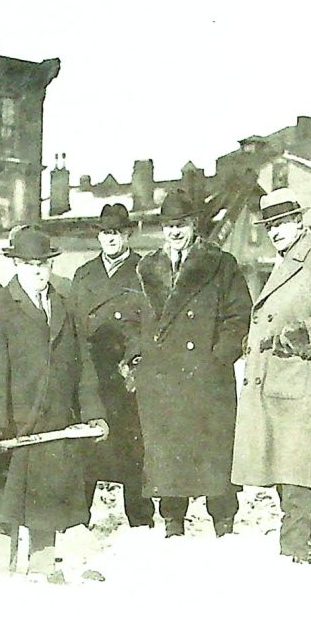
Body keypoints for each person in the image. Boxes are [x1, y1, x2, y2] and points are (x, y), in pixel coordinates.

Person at [0, 227, 109, 582]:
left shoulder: (62, 306)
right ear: (15, 265)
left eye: (43, 265)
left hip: (55, 421)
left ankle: (43, 562)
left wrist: (93, 413)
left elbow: (82, 366)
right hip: (15, 422)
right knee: (7, 496)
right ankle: (4, 563)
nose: (38, 272)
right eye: (30, 265)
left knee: (47, 496)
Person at [232, 188, 311, 564]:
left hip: (299, 380)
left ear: (300, 221)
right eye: (270, 226)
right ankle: (297, 547)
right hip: (280, 381)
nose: (275, 232)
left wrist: (302, 336)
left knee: (295, 468)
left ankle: (297, 549)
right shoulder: (289, 260)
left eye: (282, 223)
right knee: (284, 466)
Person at [124, 189, 252, 538]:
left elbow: (239, 316)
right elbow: (136, 320)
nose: (175, 232)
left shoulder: (219, 263)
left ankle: (223, 522)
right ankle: (173, 522)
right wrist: (137, 354)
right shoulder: (147, 267)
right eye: (168, 225)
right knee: (167, 453)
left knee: (214, 453)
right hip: (162, 378)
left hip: (206, 377)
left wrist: (218, 358)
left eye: (181, 224)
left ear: (194, 225)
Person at [71, 203, 155, 529]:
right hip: (91, 371)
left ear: (128, 234)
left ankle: (140, 520)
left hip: (127, 372)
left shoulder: (143, 272)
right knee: (89, 445)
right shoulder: (84, 274)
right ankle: (81, 520)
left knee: (133, 447)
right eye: (105, 233)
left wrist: (135, 359)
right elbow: (76, 324)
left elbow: (152, 324)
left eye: (117, 232)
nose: (110, 238)